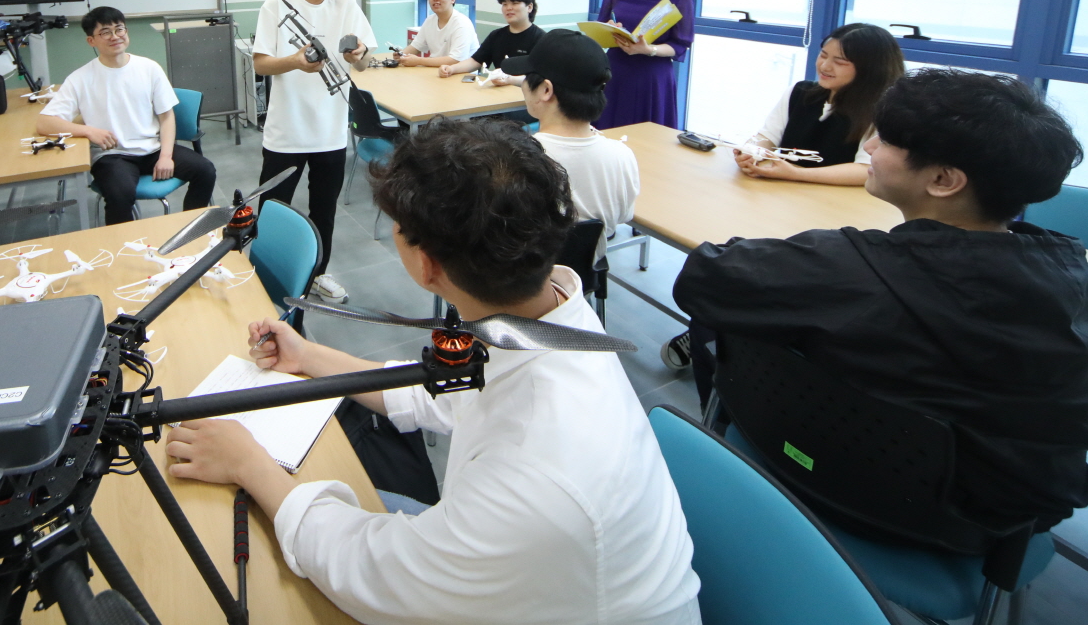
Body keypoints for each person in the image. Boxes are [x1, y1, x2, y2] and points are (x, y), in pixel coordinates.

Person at [164, 118, 701, 625]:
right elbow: (446, 393)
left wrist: (248, 463)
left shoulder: (535, 477)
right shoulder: (551, 312)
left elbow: (370, 572)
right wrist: (308, 358)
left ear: (427, 265)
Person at [674, 70, 1088, 533]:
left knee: (729, 318)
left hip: (826, 482)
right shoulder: (1077, 283)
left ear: (944, 179)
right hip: (986, 523)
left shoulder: (842, 267)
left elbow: (702, 277)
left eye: (886, 140)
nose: (869, 147)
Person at [252, 0, 374, 303]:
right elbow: (261, 64)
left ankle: (316, 276)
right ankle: (263, 276)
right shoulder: (277, 5)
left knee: (324, 212)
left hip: (330, 134)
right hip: (286, 134)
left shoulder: (347, 6)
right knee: (273, 211)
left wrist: (360, 55)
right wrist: (294, 61)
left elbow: (365, 63)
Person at [34, 5, 216, 224]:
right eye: (105, 32)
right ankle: (124, 242)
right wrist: (88, 131)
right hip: (113, 155)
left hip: (153, 149)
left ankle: (192, 227)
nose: (115, 36)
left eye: (119, 29)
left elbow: (167, 117)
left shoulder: (149, 68)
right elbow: (45, 123)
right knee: (120, 195)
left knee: (205, 170)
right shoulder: (80, 78)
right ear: (91, 41)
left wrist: (166, 156)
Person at [508, 29, 640, 243]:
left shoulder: (517, 158)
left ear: (546, 90)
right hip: (593, 264)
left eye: (526, 77)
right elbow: (624, 216)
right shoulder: (622, 155)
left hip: (530, 263)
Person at [733, 23, 904, 187]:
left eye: (840, 62)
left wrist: (796, 174)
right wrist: (751, 151)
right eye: (823, 55)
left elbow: (866, 169)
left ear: (870, 69)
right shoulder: (799, 93)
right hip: (787, 192)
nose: (825, 66)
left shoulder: (882, 110)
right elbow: (767, 136)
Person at [595, 0, 694, 130]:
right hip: (615, 72)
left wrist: (649, 49)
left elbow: (680, 44)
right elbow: (599, 31)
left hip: (653, 76)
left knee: (649, 137)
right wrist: (609, 30)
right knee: (610, 133)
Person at [438, 0, 542, 82]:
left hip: (526, 92)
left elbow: (540, 77)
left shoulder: (541, 39)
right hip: (498, 90)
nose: (508, 8)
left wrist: (508, 80)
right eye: (504, 4)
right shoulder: (496, 35)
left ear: (529, 7)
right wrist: (452, 69)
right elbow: (476, 61)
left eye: (515, 3)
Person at [398, 0, 477, 67]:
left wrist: (419, 61)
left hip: (460, 73)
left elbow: (455, 60)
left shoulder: (462, 23)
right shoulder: (430, 20)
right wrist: (401, 55)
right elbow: (416, 46)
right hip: (435, 70)